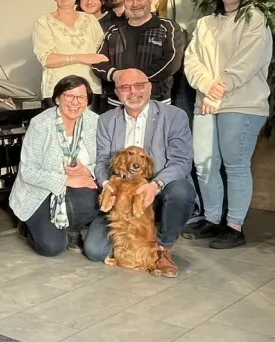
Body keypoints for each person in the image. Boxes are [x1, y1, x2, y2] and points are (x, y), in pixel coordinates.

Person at [182, 0, 272, 250]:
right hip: (207, 101)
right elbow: (191, 60)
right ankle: (211, 218)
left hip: (242, 103)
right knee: (205, 166)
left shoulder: (254, 19)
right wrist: (209, 87)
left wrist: (219, 88)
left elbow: (248, 61)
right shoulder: (206, 23)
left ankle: (234, 226)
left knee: (235, 166)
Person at [83, 68, 197, 278]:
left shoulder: (174, 116)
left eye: (139, 86)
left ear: (149, 88)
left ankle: (162, 249)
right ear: (117, 93)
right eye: (125, 87)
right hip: (123, 195)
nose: (133, 92)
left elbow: (181, 162)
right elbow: (101, 161)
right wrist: (107, 183)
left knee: (182, 191)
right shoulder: (107, 120)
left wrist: (155, 185)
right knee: (95, 251)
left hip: (159, 189)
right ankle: (133, 242)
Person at [9, 76, 100, 256]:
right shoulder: (40, 124)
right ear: (57, 98)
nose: (75, 102)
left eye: (81, 97)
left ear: (88, 101)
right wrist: (66, 180)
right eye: (68, 96)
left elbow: (105, 160)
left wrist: (88, 169)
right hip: (40, 190)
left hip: (77, 189)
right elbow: (28, 172)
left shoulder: (95, 121)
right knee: (51, 248)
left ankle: (72, 229)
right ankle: (26, 226)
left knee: (94, 199)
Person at [92, 0, 185, 108]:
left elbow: (172, 62)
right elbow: (98, 63)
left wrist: (134, 79)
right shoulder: (114, 31)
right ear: (124, 2)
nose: (135, 4)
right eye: (130, 0)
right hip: (117, 105)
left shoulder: (168, 27)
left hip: (156, 102)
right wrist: (116, 75)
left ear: (150, 0)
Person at [168, 0, 224, 120]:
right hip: (186, 66)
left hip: (216, 66)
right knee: (184, 119)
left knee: (213, 120)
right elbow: (170, 30)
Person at [32, 0, 106, 105]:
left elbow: (100, 53)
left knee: (88, 126)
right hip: (58, 90)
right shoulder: (44, 22)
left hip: (89, 90)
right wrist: (81, 57)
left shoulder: (90, 20)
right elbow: (47, 59)